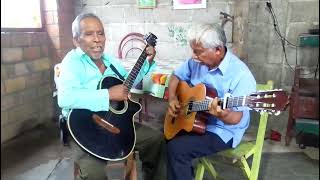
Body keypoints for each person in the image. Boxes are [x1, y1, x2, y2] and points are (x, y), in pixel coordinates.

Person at [57, 13, 166, 180]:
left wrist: (147, 62)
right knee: (95, 172)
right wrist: (107, 94)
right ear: (76, 40)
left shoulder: (110, 61)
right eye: (89, 34)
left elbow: (125, 85)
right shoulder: (72, 63)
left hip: (117, 123)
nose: (97, 39)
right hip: (85, 128)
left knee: (156, 139)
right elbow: (65, 97)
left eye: (100, 33)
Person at [166, 23, 256, 180]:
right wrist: (173, 97)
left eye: (198, 52)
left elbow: (236, 118)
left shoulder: (241, 75)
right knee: (165, 136)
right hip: (197, 122)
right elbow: (176, 76)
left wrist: (222, 114)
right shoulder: (195, 62)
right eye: (193, 50)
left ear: (218, 50)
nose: (193, 55)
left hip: (222, 131)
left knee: (177, 149)